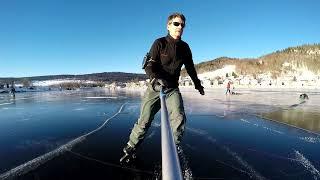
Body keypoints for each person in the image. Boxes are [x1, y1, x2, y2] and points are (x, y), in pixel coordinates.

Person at [120, 13, 205, 163]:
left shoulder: (185, 48)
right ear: (168, 26)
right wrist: (154, 79)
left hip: (172, 89)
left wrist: (197, 84)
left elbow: (191, 68)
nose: (180, 27)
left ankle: (174, 147)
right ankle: (130, 147)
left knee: (178, 116)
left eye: (182, 25)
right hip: (155, 87)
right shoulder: (159, 43)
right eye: (176, 24)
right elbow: (149, 65)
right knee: (145, 120)